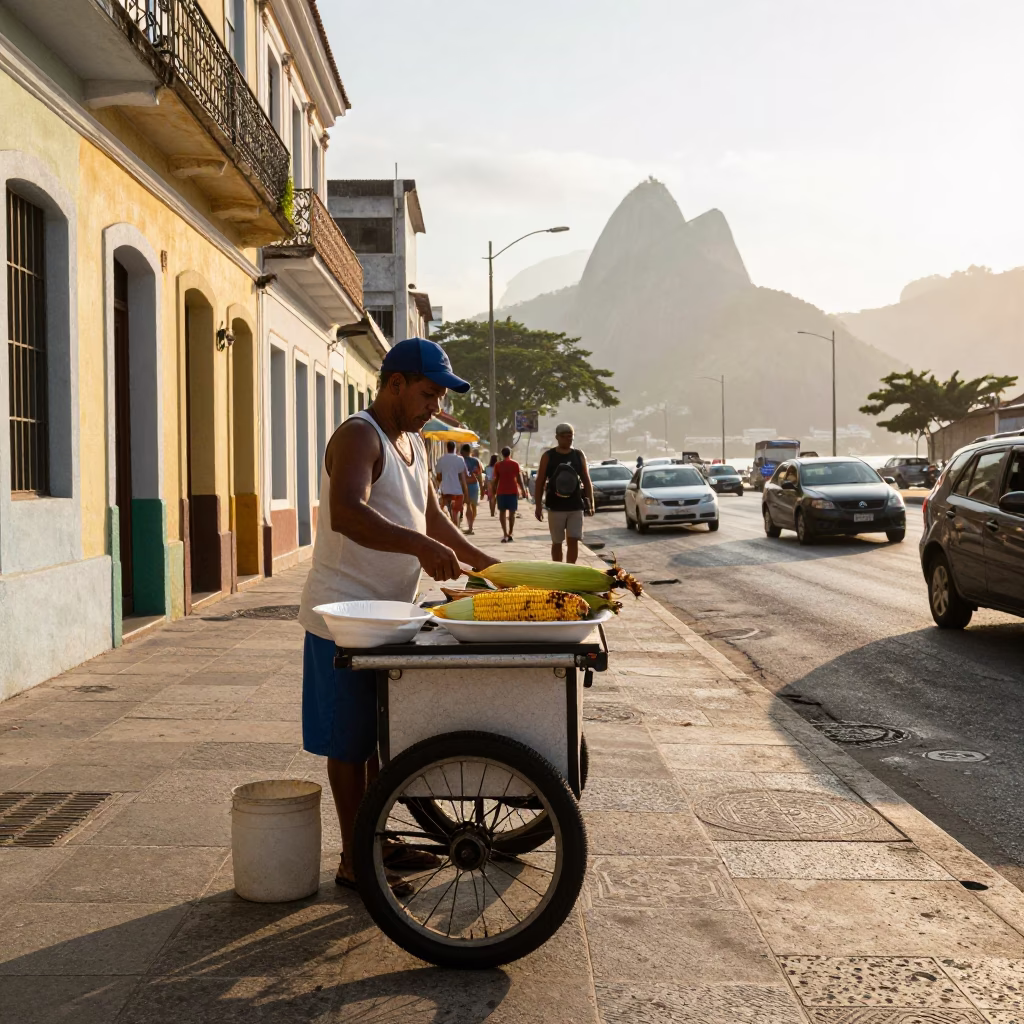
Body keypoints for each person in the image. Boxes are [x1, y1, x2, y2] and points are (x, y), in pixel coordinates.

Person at [298, 337, 498, 892]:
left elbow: (433, 518)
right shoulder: (360, 434)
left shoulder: (415, 443)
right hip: (340, 616)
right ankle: (355, 860)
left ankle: (375, 841)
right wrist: (418, 548)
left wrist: (489, 565)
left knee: (376, 739)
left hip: (387, 617)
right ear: (395, 384)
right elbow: (347, 514)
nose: (434, 407)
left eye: (438, 398)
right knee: (349, 744)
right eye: (428, 394)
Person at [534, 422, 594, 563]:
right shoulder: (548, 456)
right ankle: (559, 570)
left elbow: (586, 479)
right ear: (557, 437)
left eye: (571, 436)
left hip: (575, 506)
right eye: (565, 436)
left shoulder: (578, 455)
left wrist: (591, 502)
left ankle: (571, 570)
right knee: (557, 542)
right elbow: (540, 481)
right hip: (556, 507)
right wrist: (538, 505)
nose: (568, 439)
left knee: (573, 540)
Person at [492, 446, 527, 543]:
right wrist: (523, 490)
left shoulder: (498, 465)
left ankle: (505, 533)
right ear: (510, 453)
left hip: (501, 492)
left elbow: (496, 480)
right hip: (512, 491)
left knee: (502, 513)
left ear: (502, 454)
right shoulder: (515, 464)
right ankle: (510, 532)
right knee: (512, 513)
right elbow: (519, 479)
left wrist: (493, 491)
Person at [434, 440, 469, 528]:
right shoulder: (460, 459)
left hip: (445, 491)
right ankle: (456, 528)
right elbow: (463, 477)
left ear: (447, 448)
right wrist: (466, 492)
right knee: (455, 512)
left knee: (444, 512)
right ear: (454, 448)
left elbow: (438, 477)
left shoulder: (441, 459)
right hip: (457, 491)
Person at [460, 443, 483, 535]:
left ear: (463, 451)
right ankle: (471, 525)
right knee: (473, 506)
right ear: (470, 452)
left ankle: (468, 525)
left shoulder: (460, 460)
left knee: (466, 505)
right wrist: (481, 486)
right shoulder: (476, 461)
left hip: (463, 485)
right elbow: (479, 475)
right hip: (474, 485)